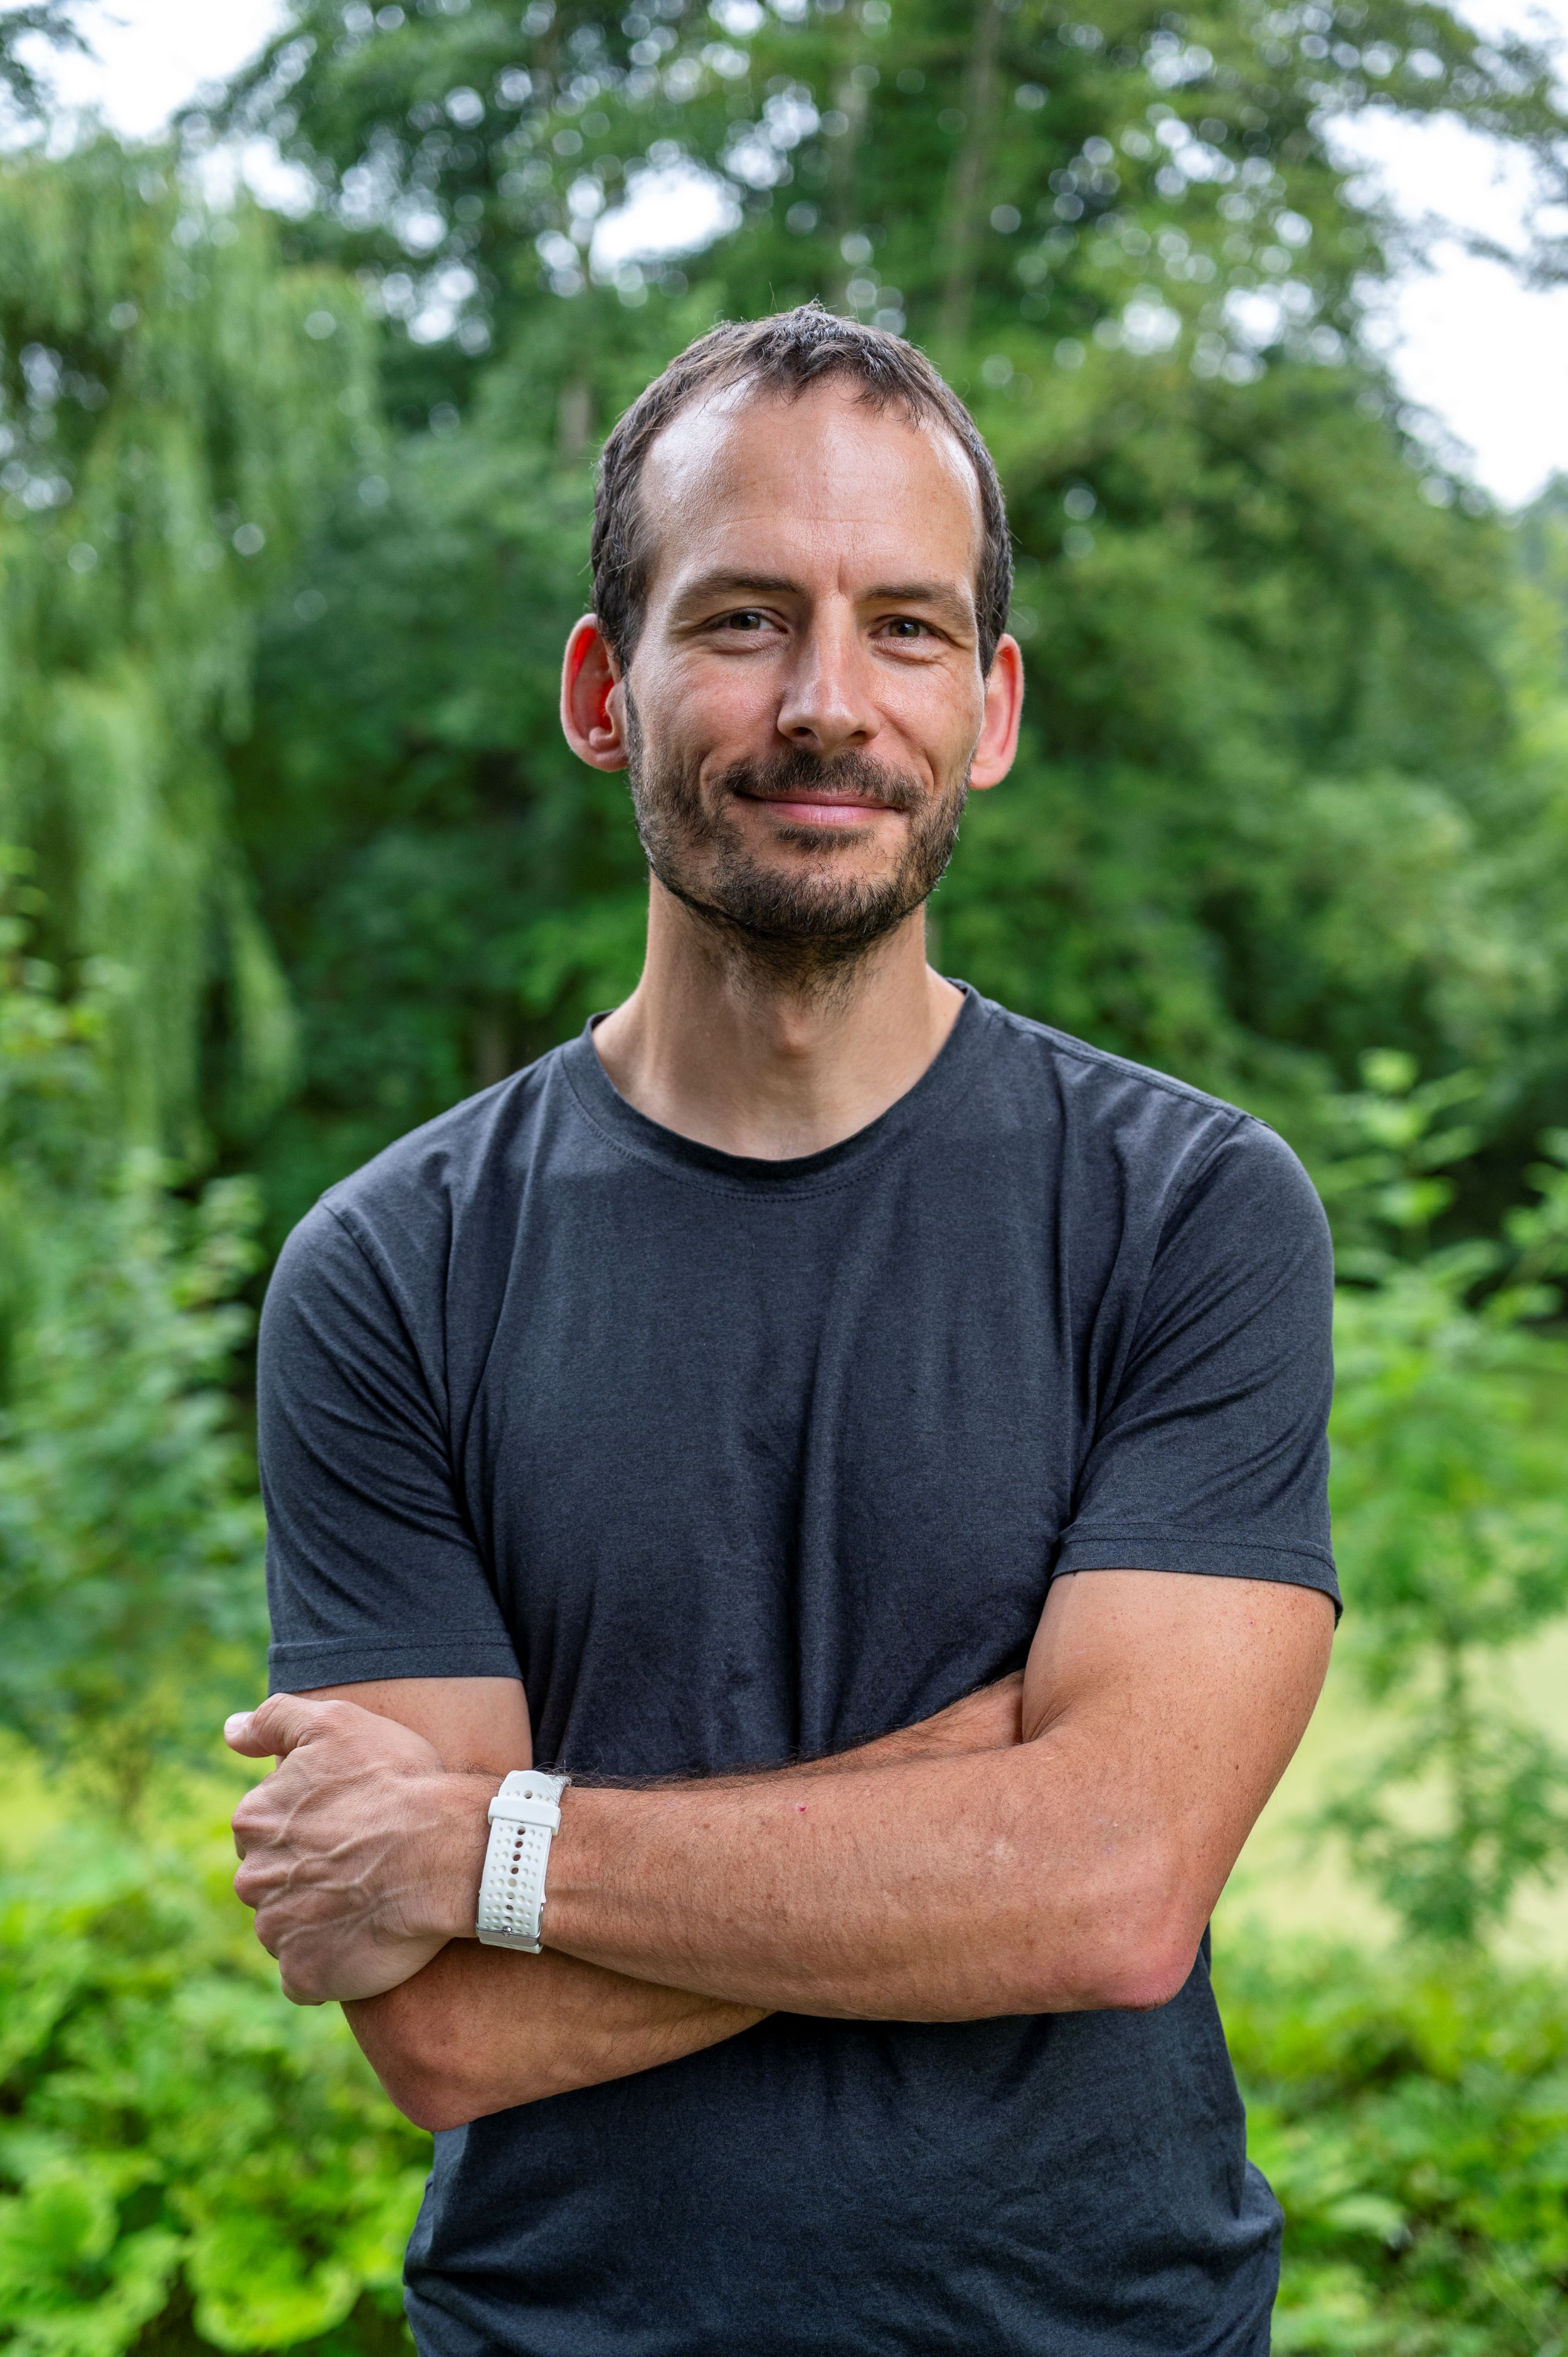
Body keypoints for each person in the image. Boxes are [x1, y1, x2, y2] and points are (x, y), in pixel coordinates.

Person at [226, 303, 1338, 2357]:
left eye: (903, 628)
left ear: (990, 706)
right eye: (742, 619)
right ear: (600, 686)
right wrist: (990, 1791)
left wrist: (486, 1843)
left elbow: (1107, 1894)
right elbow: (452, 2029)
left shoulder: (1187, 1214)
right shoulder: (391, 1272)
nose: (830, 700)